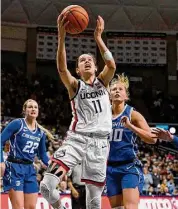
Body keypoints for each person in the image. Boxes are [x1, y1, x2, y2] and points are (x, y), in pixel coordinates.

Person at [40, 11, 116, 209]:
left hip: (100, 144)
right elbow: (61, 69)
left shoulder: (103, 82)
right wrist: (62, 36)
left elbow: (111, 65)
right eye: (83, 60)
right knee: (47, 187)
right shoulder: (75, 86)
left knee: (93, 200)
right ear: (78, 70)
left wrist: (98, 38)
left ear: (95, 65)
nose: (88, 61)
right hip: (77, 139)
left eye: (90, 59)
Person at [106, 74, 157, 209]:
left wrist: (130, 126)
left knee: (130, 207)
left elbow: (153, 138)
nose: (117, 91)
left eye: (120, 89)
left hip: (129, 167)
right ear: (109, 95)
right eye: (114, 89)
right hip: (109, 168)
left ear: (126, 96)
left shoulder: (132, 114)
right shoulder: (103, 115)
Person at [0, 99, 53, 209]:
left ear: (38, 111)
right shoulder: (17, 124)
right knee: (18, 207)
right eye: (30, 107)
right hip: (14, 168)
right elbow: (0, 141)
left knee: (31, 207)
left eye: (35, 107)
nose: (33, 109)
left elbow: (42, 154)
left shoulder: (40, 132)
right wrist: (1, 162)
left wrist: (53, 167)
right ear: (24, 110)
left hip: (30, 169)